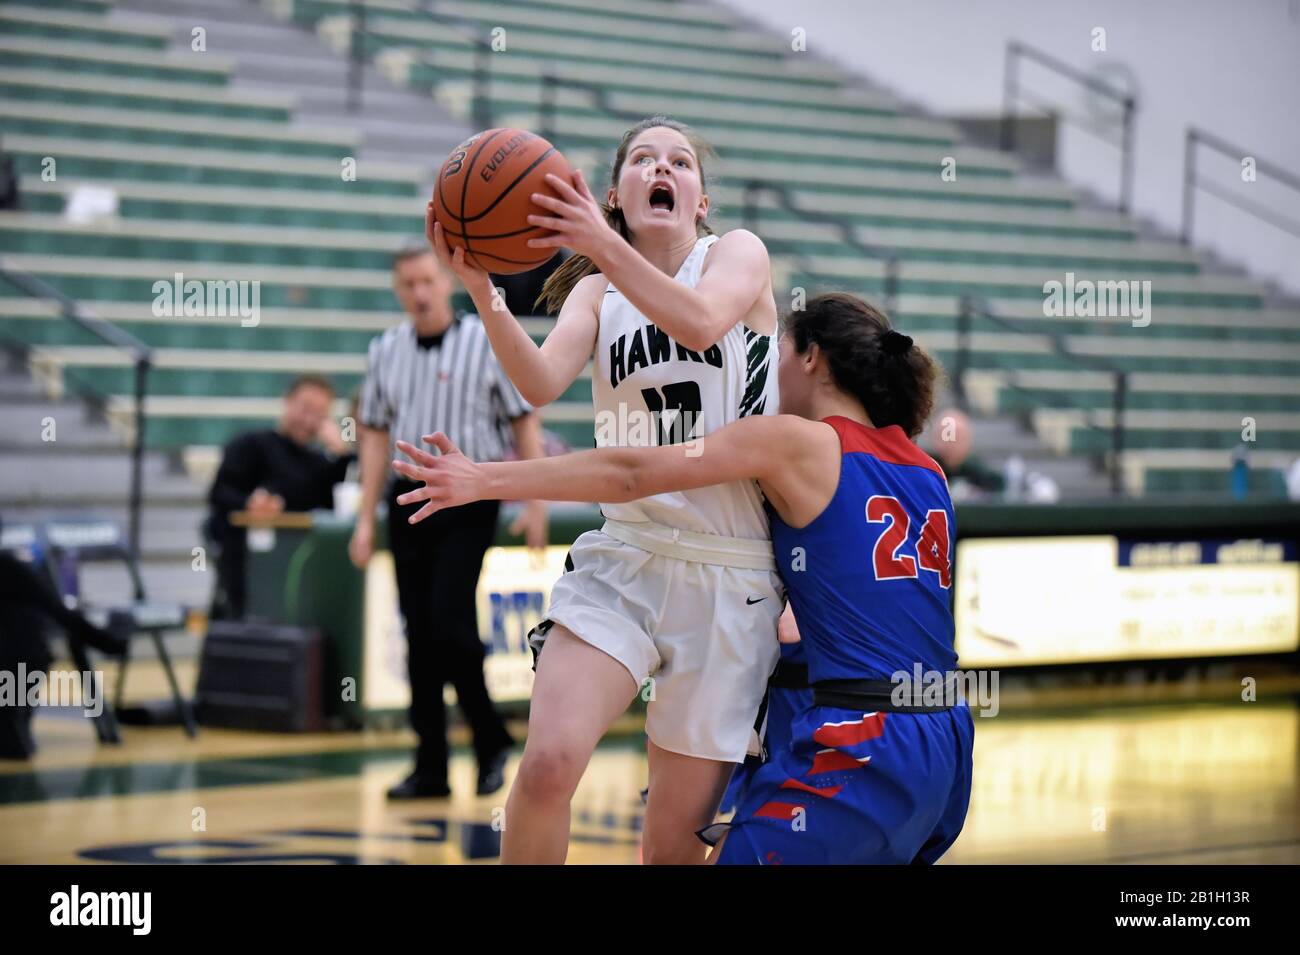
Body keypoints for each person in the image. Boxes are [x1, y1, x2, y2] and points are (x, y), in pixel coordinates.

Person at [393, 291, 974, 865]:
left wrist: (482, 479)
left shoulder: (795, 443)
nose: (767, 371)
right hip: (947, 736)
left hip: (867, 734)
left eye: (778, 351)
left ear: (812, 358)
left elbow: (631, 471)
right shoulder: (928, 471)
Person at [427, 115, 783, 863]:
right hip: (625, 551)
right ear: (615, 193)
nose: (665, 168)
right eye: (644, 159)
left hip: (731, 568)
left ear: (701, 199)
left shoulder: (737, 255)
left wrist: (600, 245)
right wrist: (481, 287)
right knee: (550, 761)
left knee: (670, 845)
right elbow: (538, 381)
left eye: (681, 161)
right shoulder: (595, 295)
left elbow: (700, 323)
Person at [350, 245, 547, 801]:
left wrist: (535, 504)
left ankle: (490, 742)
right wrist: (365, 518)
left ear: (445, 282)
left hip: (468, 496)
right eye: (408, 282)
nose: (419, 291)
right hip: (407, 497)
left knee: (448, 621)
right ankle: (430, 764)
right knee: (418, 631)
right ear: (398, 289)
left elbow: (522, 419)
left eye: (427, 281)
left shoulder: (483, 339)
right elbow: (371, 437)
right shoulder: (384, 349)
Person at [206, 374, 355, 620]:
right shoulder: (250, 444)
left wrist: (340, 450)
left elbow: (342, 499)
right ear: (287, 402)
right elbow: (220, 494)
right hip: (250, 567)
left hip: (304, 569)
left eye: (320, 414)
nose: (309, 420)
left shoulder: (322, 464)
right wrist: (250, 504)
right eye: (305, 408)